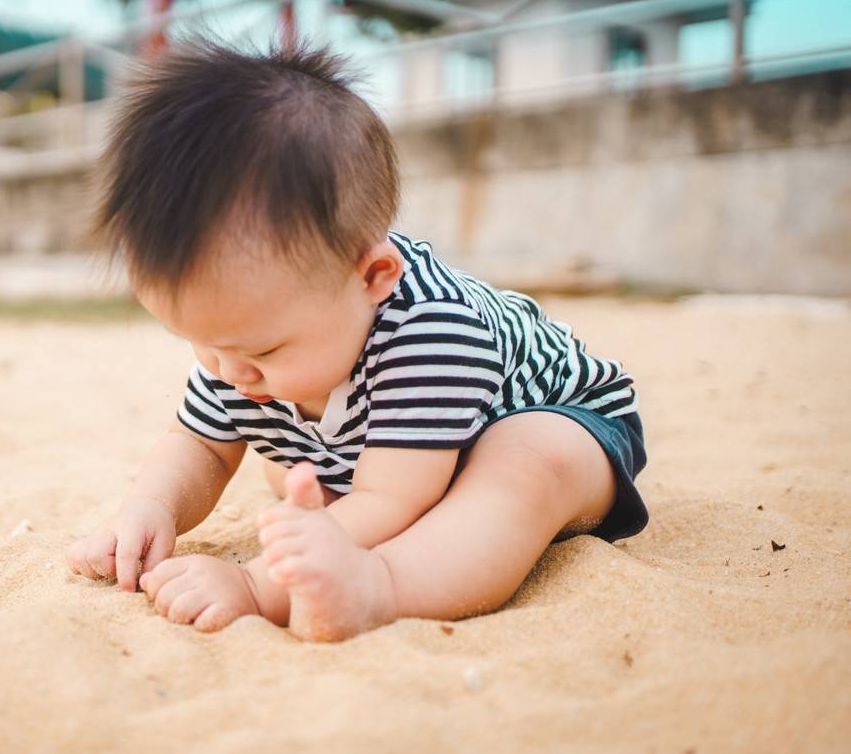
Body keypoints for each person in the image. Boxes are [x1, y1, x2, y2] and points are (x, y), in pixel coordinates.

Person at [65, 40, 646, 642]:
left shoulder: (433, 329)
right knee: (284, 466)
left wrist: (258, 584)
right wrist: (151, 508)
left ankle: (381, 587)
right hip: (395, 455)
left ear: (372, 277)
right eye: (197, 341)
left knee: (527, 462)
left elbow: (393, 500)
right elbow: (202, 446)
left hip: (559, 425)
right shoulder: (241, 338)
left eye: (261, 352)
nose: (226, 371)